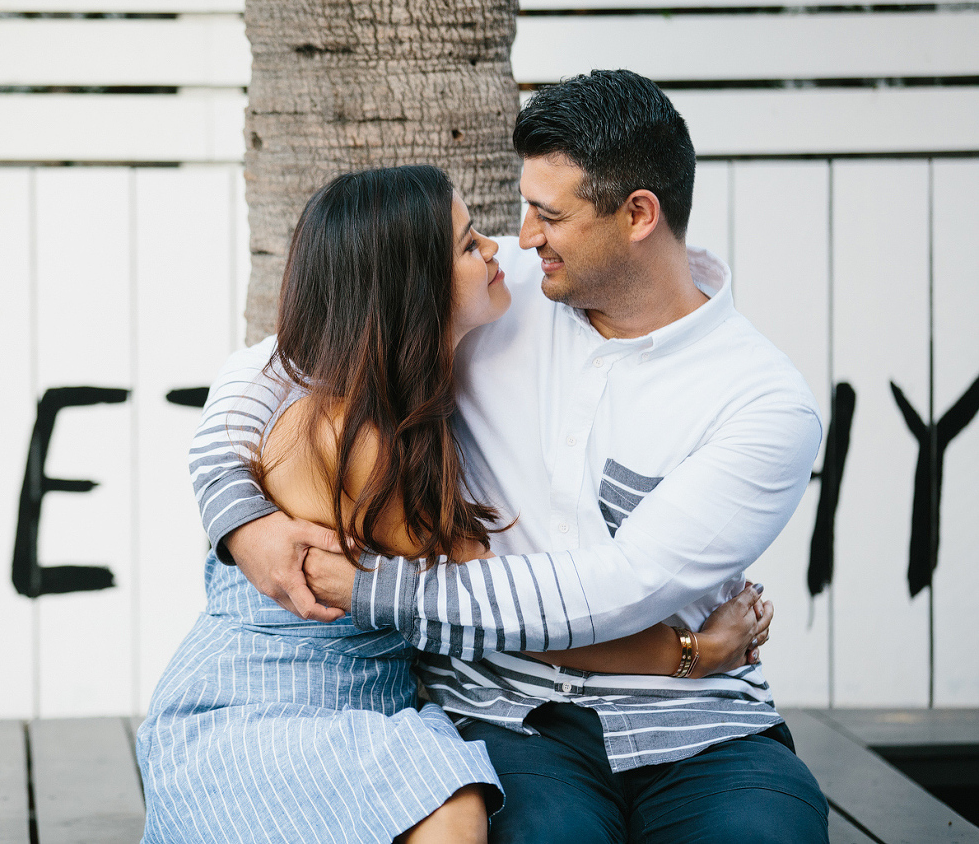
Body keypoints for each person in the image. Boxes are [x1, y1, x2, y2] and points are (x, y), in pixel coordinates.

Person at [192, 71, 830, 843]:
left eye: (549, 214)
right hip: (507, 707)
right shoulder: (493, 290)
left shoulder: (761, 402)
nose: (522, 235)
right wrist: (240, 520)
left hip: (694, 717)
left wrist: (365, 588)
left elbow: (614, 587)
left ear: (637, 214)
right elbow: (273, 367)